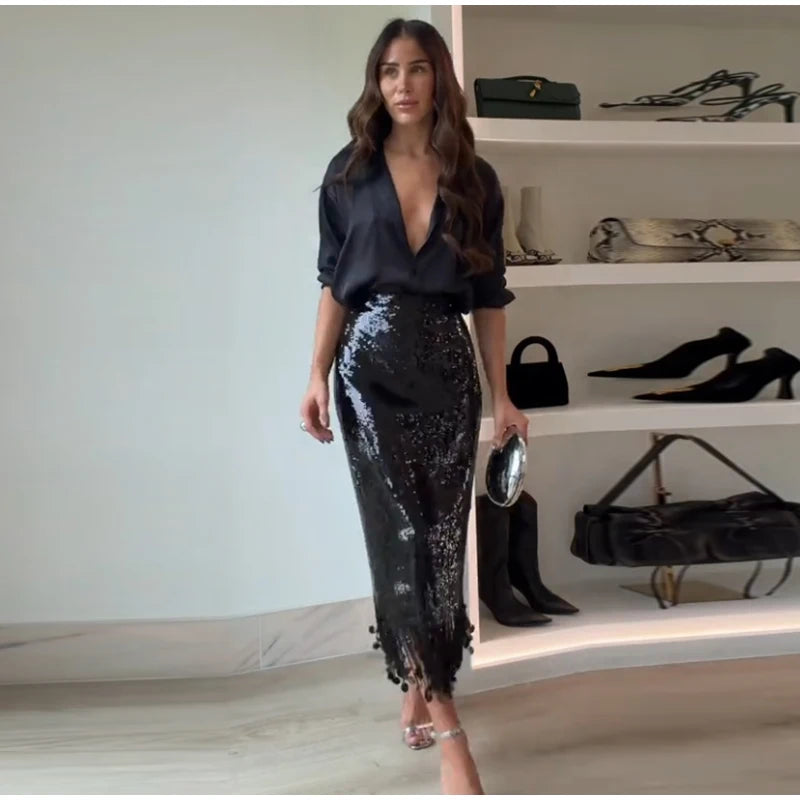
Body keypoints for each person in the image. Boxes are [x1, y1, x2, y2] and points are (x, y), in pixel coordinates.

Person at [299, 17, 528, 795]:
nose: (403, 84)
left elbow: (490, 298)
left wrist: (505, 395)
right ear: (377, 81)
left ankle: (416, 682)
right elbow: (333, 283)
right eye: (390, 70)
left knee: (439, 540)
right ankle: (451, 727)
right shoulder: (347, 175)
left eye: (419, 69)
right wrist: (313, 373)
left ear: (439, 81)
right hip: (367, 376)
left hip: (447, 371)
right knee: (399, 536)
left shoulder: (476, 179)